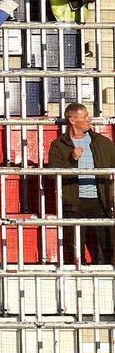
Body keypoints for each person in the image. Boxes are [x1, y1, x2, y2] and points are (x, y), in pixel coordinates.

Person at [46, 103, 114, 264]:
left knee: (111, 247)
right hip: (73, 204)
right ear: (72, 120)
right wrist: (71, 160)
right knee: (74, 252)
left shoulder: (103, 142)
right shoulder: (58, 145)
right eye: (84, 117)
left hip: (101, 202)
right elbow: (51, 175)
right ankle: (76, 286)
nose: (89, 119)